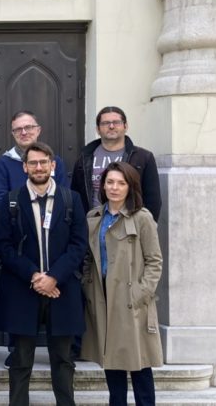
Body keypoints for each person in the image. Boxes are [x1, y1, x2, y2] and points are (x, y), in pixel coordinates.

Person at [0, 142, 88, 406]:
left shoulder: (72, 199)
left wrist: (54, 277)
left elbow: (79, 244)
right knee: (21, 360)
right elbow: (3, 245)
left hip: (62, 288)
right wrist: (35, 276)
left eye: (43, 162)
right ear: (25, 167)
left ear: (53, 165)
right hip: (24, 289)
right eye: (33, 163)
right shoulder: (11, 200)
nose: (38, 167)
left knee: (63, 360)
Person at [82, 162, 164, 406]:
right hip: (103, 298)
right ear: (103, 185)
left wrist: (141, 293)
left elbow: (154, 260)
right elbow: (88, 258)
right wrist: (88, 286)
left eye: (121, 183)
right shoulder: (94, 217)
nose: (114, 188)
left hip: (131, 301)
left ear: (130, 187)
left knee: (140, 367)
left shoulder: (142, 218)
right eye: (110, 182)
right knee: (112, 368)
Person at [72, 106, 163, 222]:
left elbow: (153, 199)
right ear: (98, 129)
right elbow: (76, 196)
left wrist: (147, 226)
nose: (111, 126)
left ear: (126, 126)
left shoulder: (143, 157)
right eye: (105, 123)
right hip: (93, 224)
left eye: (116, 122)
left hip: (130, 225)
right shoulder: (84, 158)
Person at [0, 110, 70, 208]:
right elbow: (1, 201)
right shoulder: (2, 164)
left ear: (38, 130)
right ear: (13, 134)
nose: (23, 132)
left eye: (28, 127)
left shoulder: (55, 161)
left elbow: (65, 196)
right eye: (18, 129)